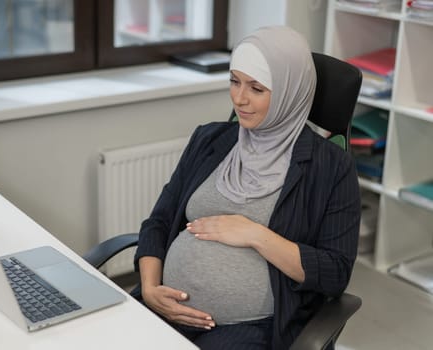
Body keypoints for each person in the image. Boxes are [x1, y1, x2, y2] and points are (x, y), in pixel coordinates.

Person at [133, 26, 361, 350]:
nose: (239, 99)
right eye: (234, 81)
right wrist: (150, 289)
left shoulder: (332, 168)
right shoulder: (209, 140)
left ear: (288, 92)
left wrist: (254, 234)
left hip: (250, 328)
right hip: (165, 307)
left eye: (256, 88)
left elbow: (335, 272)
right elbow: (159, 220)